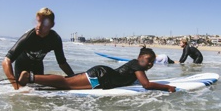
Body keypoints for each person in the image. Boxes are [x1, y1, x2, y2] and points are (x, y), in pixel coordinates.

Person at [18, 47, 176, 92]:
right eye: (148, 61)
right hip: (101, 76)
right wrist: (167, 87)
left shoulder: (135, 67)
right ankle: (31, 78)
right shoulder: (135, 64)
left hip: (102, 76)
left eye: (153, 62)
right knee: (66, 84)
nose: (150, 64)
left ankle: (32, 80)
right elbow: (146, 85)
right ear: (140, 57)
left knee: (67, 82)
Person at [2, 8, 74, 90]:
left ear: (52, 25)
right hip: (22, 67)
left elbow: (62, 63)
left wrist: (74, 77)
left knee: (39, 97)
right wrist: (16, 85)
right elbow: (6, 61)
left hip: (38, 66)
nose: (39, 26)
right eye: (38, 21)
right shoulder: (28, 37)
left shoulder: (55, 39)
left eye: (44, 23)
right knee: (23, 95)